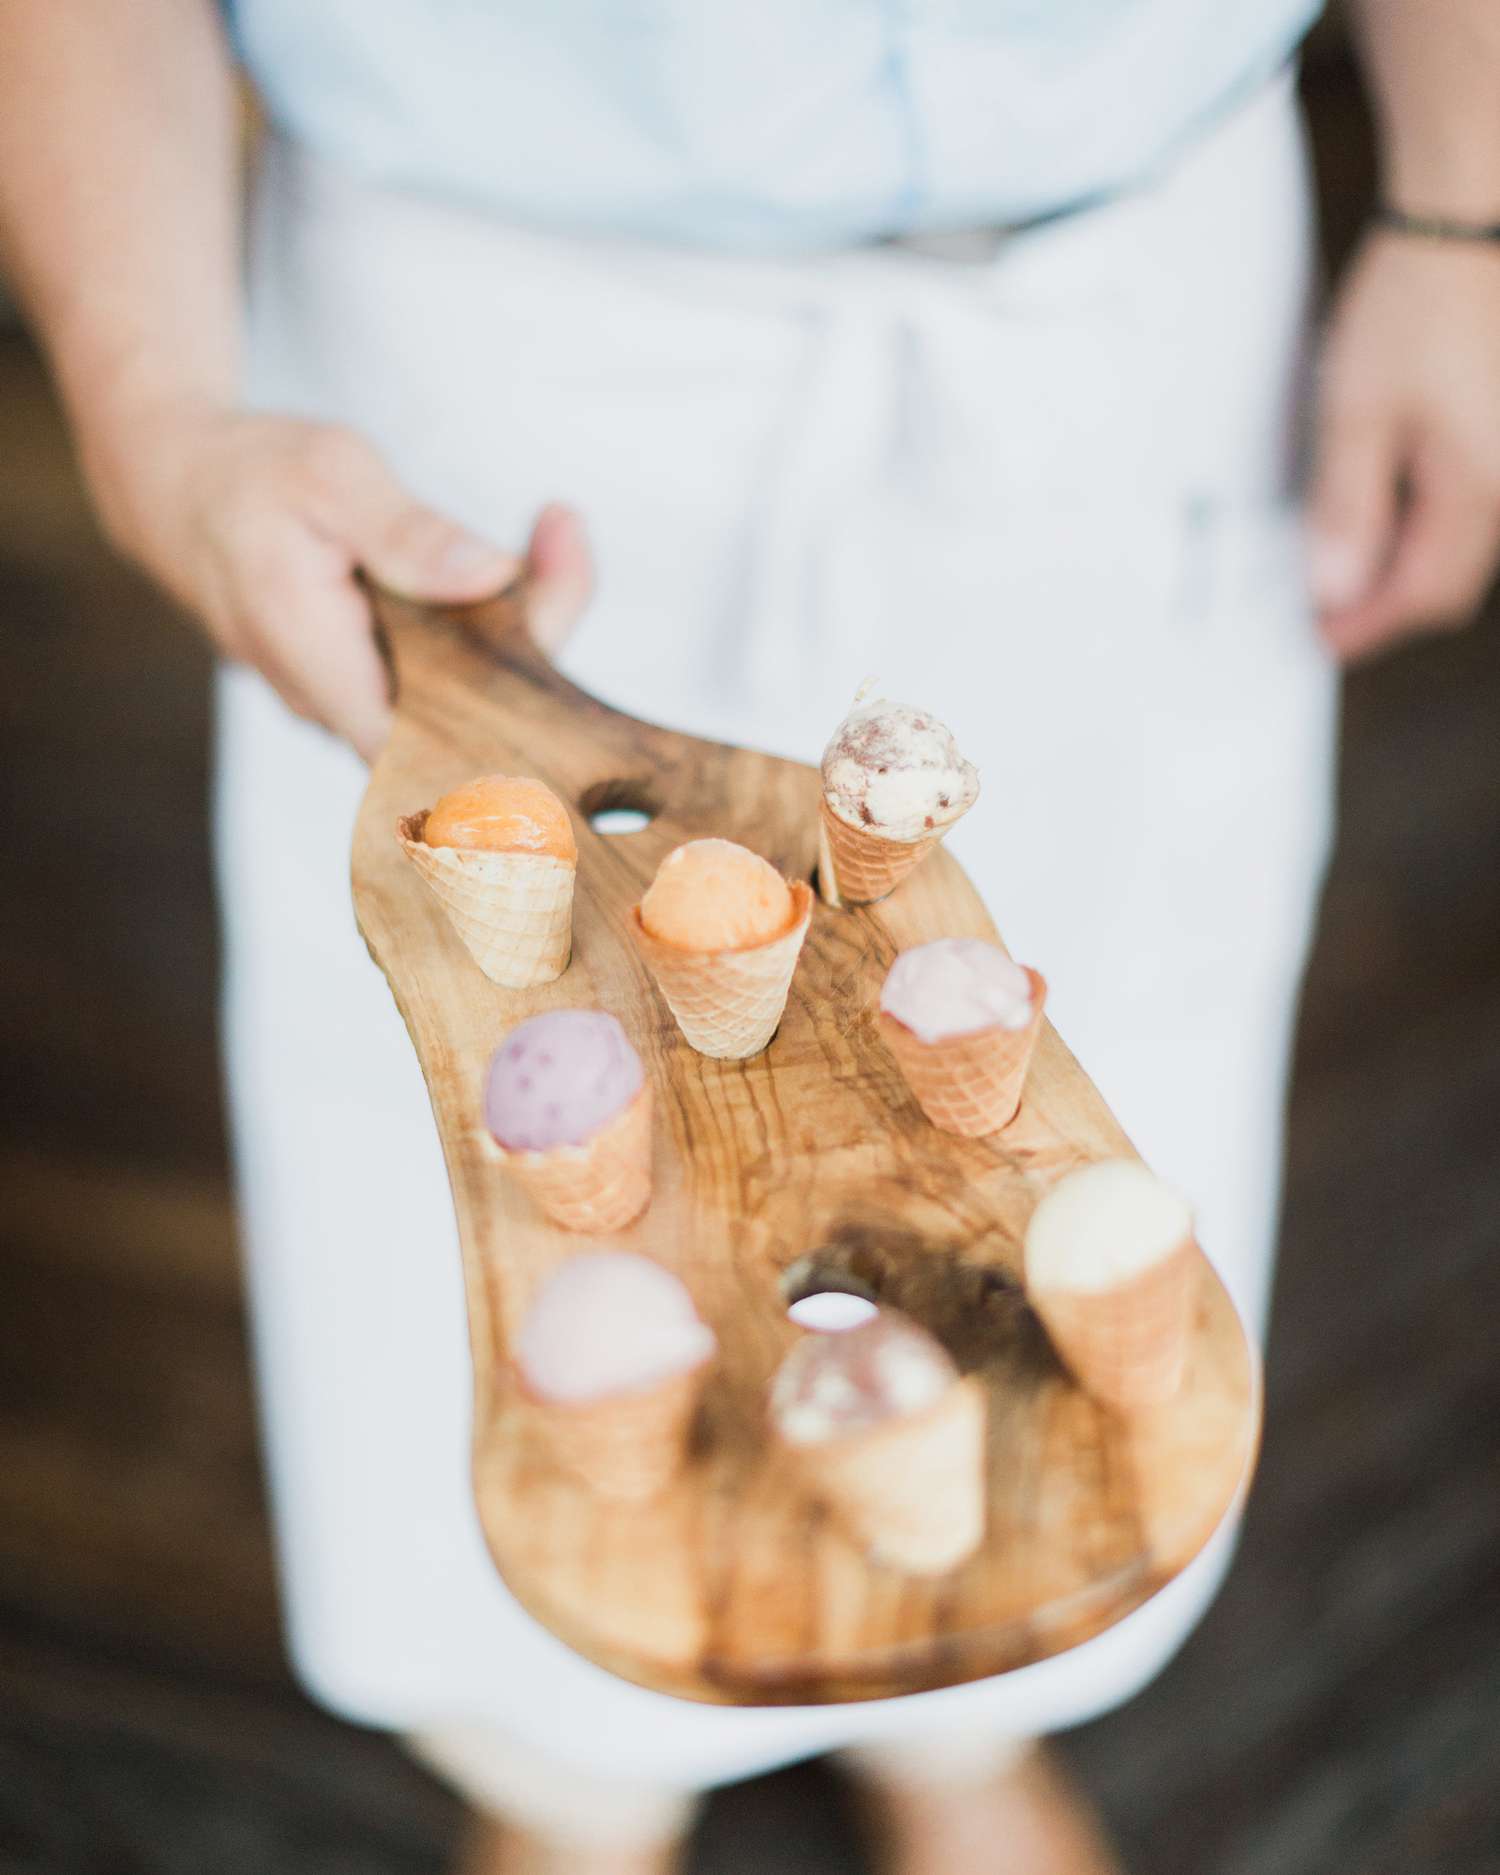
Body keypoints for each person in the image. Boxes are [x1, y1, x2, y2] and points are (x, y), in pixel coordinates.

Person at [2, 3, 1497, 1871]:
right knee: (490, 1188)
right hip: (484, 356)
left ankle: (961, 1714)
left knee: (1080, 1093)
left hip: (1136, 311)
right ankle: (562, 1764)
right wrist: (152, 402)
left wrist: (1467, 211)